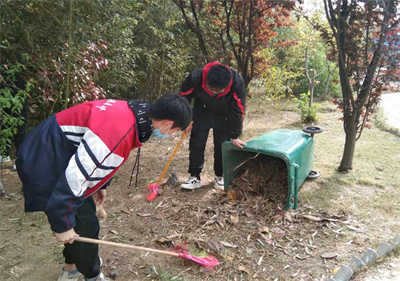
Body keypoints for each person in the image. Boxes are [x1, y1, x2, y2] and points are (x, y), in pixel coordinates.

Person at [16, 94, 192, 281]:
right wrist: (62, 223)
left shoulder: (133, 113)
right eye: (175, 131)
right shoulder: (119, 131)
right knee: (85, 226)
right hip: (45, 159)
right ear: (167, 124)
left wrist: (101, 184)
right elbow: (76, 177)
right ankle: (92, 276)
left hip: (53, 146)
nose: (170, 135)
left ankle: (71, 268)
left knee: (82, 220)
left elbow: (94, 157)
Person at [179, 62, 247, 190]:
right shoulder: (196, 77)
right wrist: (185, 121)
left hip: (224, 114)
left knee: (222, 145)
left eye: (218, 90)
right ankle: (194, 176)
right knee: (196, 144)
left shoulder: (237, 82)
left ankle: (220, 176)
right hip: (201, 111)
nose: (214, 92)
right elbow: (183, 98)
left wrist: (234, 136)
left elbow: (237, 109)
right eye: (211, 89)